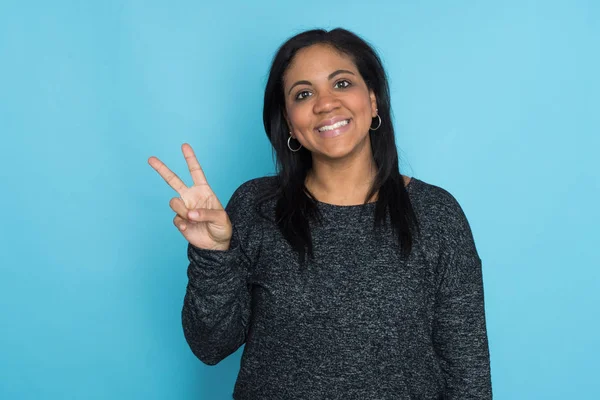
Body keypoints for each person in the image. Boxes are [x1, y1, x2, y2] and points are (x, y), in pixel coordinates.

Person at [148, 28, 492, 399]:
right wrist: (213, 255)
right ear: (290, 122)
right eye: (304, 93)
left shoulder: (435, 215)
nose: (325, 103)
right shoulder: (255, 208)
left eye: (342, 83)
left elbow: (467, 372)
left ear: (373, 100)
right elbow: (210, 346)